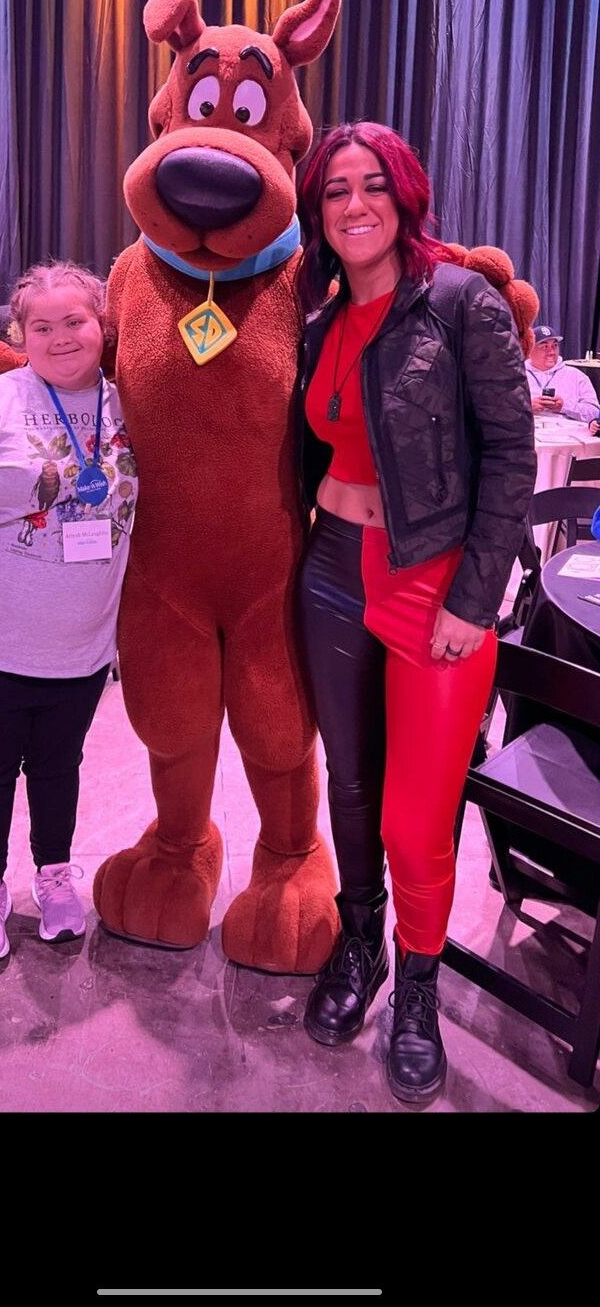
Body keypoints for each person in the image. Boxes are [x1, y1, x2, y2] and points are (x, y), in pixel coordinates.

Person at [296, 122, 537, 1105]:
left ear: (405, 196)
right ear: (317, 211)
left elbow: (513, 455)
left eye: (372, 185)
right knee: (350, 784)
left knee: (414, 815)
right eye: (334, 190)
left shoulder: (460, 300)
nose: (354, 205)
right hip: (330, 570)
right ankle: (360, 943)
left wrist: (476, 599)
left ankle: (419, 985)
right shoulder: (319, 321)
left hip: (434, 580)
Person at [0, 261, 138, 967]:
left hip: (82, 644)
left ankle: (54, 874)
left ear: (102, 325)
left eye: (74, 321)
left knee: (58, 767)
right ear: (21, 335)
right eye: (41, 326)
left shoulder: (128, 404)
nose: (60, 337)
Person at [524, 325, 598, 422]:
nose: (552, 352)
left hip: (569, 430)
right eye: (545, 347)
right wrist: (526, 407)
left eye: (555, 345)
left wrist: (565, 406)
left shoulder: (576, 376)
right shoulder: (517, 376)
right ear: (530, 349)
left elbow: (595, 413)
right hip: (531, 429)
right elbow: (504, 412)